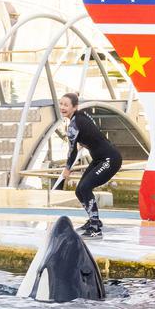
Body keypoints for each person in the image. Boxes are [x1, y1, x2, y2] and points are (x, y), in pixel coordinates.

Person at [59, 92, 122, 240]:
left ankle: (96, 227)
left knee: (85, 188)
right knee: (79, 191)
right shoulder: (82, 116)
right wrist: (85, 141)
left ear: (74, 107)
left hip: (109, 159)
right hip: (100, 159)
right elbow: (91, 132)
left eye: (66, 105)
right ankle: (93, 220)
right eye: (61, 104)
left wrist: (67, 169)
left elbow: (72, 151)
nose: (62, 107)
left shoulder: (74, 124)